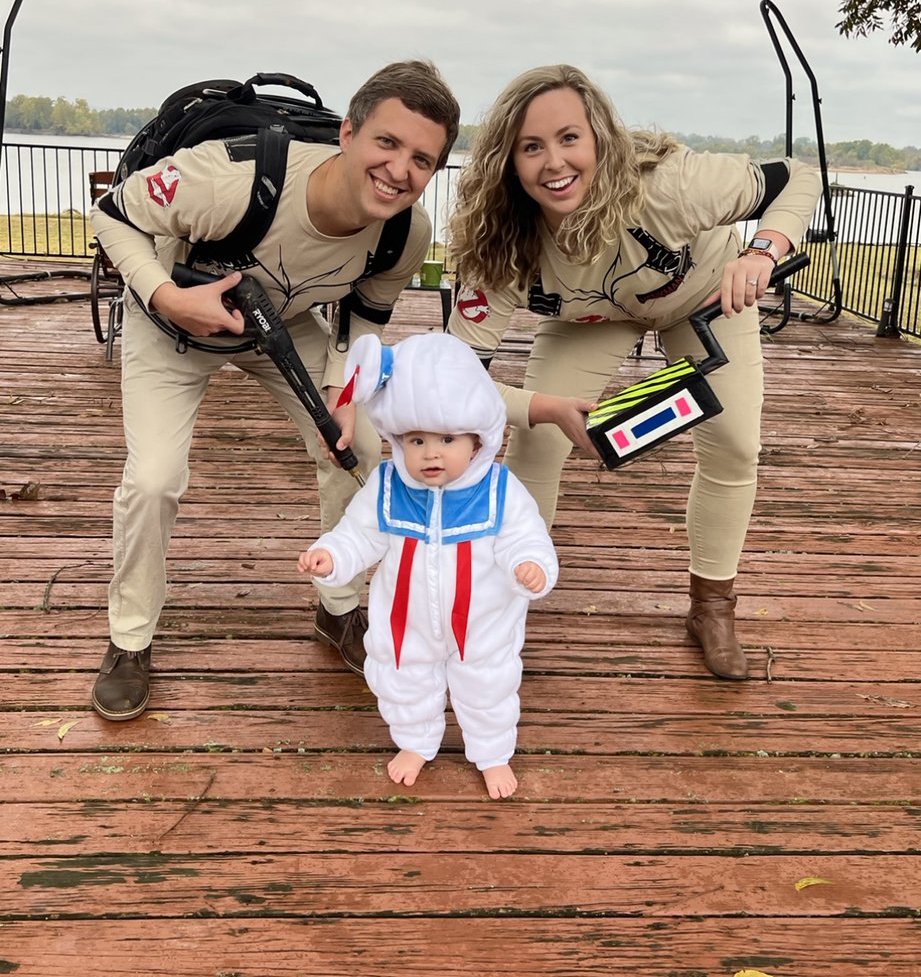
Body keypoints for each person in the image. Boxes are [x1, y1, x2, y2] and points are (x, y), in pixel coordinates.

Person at [89, 60, 460, 720]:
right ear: (347, 133)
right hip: (170, 325)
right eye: (387, 142)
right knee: (154, 479)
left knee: (357, 446)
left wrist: (339, 390)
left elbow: (365, 316)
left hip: (279, 326)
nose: (400, 170)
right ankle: (129, 638)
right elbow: (113, 212)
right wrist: (170, 297)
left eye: (423, 160)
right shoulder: (230, 179)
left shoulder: (407, 232)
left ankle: (338, 608)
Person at [447, 64, 821, 681]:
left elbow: (795, 178)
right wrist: (540, 408)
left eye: (569, 138)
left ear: (599, 138)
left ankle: (711, 607)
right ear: (506, 162)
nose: (553, 162)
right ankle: (505, 600)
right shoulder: (501, 238)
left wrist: (765, 250)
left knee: (734, 445)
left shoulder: (671, 187)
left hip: (702, 299)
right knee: (536, 443)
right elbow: (454, 378)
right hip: (592, 319)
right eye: (530, 147)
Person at [298, 332, 558, 798]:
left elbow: (526, 535)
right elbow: (359, 533)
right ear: (397, 440)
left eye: (447, 438)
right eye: (416, 439)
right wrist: (333, 556)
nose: (431, 453)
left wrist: (530, 564)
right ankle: (416, 742)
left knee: (487, 687)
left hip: (483, 623)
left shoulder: (499, 489)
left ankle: (493, 752)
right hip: (406, 619)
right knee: (403, 680)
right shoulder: (388, 485)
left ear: (479, 440)